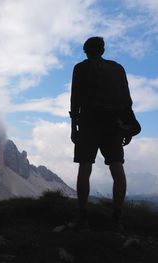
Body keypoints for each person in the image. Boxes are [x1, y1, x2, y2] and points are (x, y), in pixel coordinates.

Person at [70, 36, 134, 230]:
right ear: (103, 50)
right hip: (113, 125)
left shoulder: (80, 68)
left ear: (85, 51)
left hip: (88, 123)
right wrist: (128, 126)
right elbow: (126, 99)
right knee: (117, 168)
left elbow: (75, 100)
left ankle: (83, 218)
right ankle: (116, 219)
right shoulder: (117, 68)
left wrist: (74, 128)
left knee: (84, 168)